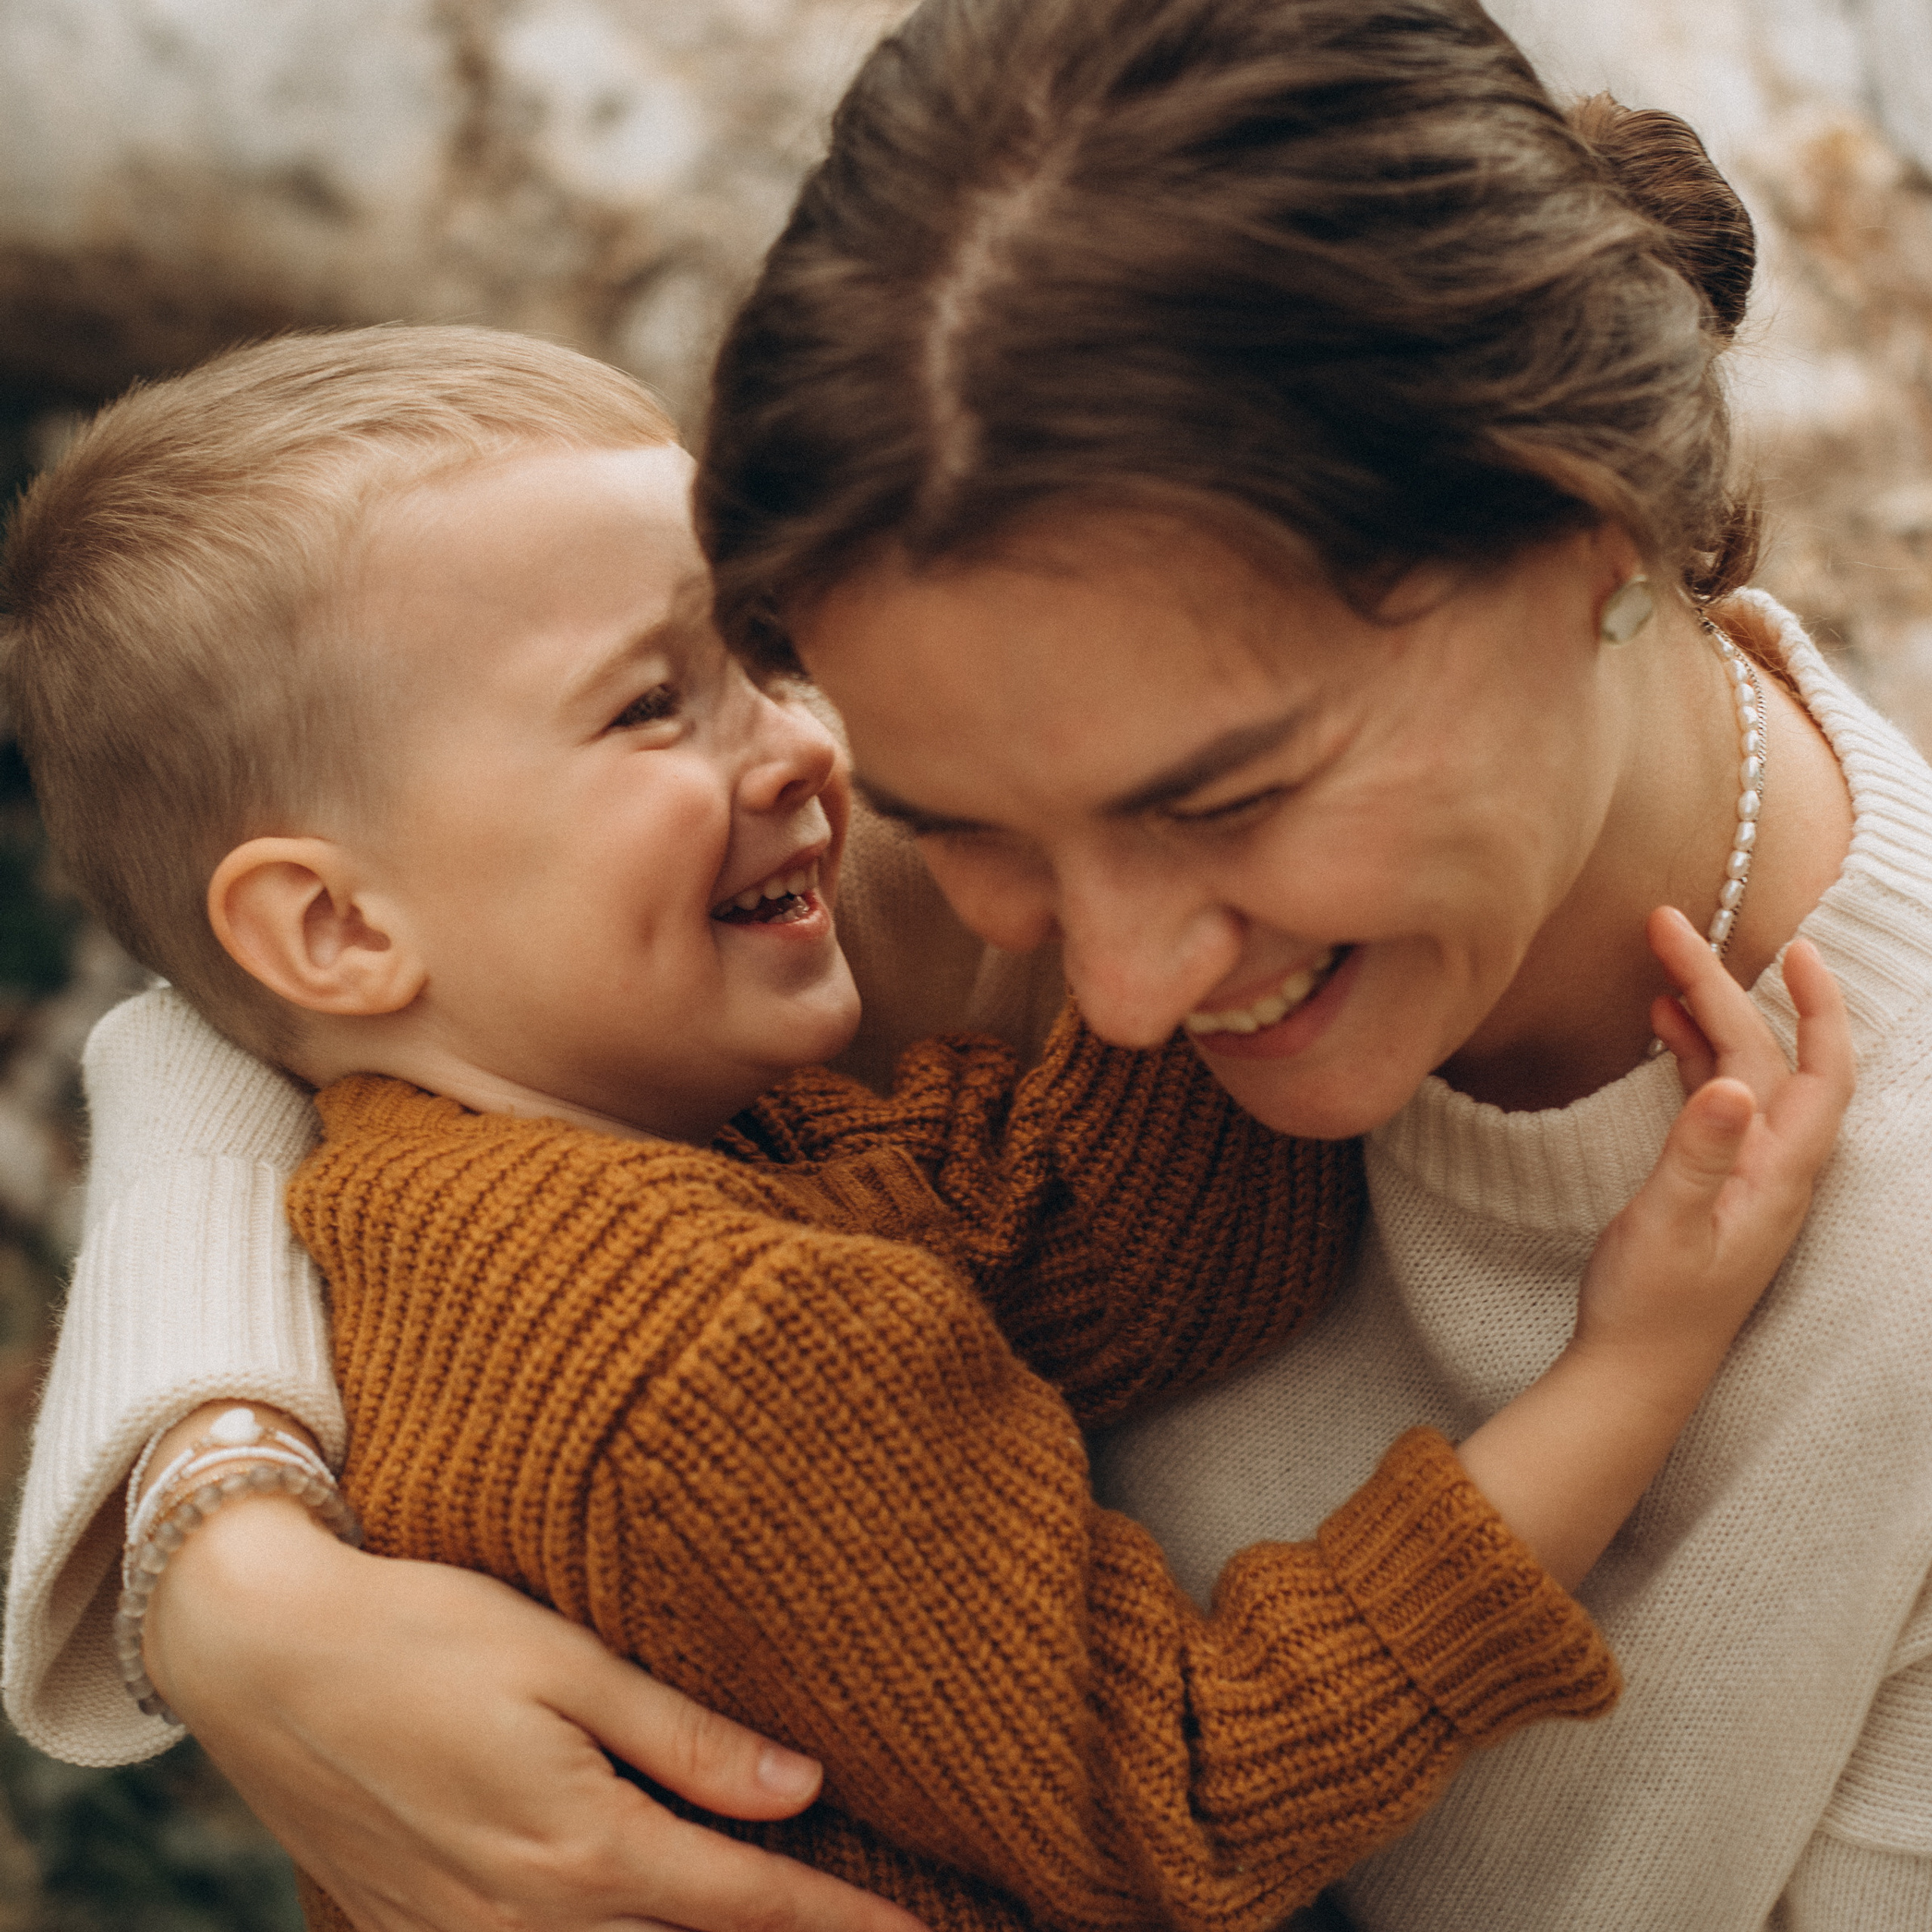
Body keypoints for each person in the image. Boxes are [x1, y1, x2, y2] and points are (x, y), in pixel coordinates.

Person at [5, 0, 1928, 1925]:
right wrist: (229, 1544)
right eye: (975, 821)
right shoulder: (840, 848)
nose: (1118, 982)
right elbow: (255, 1017)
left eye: (1222, 799)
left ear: (1585, 524)